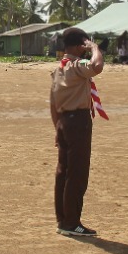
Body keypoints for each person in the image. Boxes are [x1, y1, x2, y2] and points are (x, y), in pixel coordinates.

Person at [49, 27, 104, 237]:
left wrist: (57, 128)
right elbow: (97, 66)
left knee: (63, 172)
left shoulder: (59, 69)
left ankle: (63, 219)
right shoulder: (77, 66)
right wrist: (95, 48)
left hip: (63, 121)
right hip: (78, 121)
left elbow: (53, 104)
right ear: (79, 45)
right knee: (77, 173)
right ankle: (72, 222)